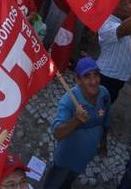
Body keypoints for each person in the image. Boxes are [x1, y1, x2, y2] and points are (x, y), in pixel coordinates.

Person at [43, 57, 111, 189]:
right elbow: (57, 133)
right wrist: (76, 121)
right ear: (78, 80)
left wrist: (103, 143)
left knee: (68, 181)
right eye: (87, 76)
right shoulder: (68, 101)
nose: (94, 81)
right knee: (54, 182)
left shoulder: (104, 93)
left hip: (84, 158)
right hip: (66, 158)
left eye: (96, 75)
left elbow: (106, 119)